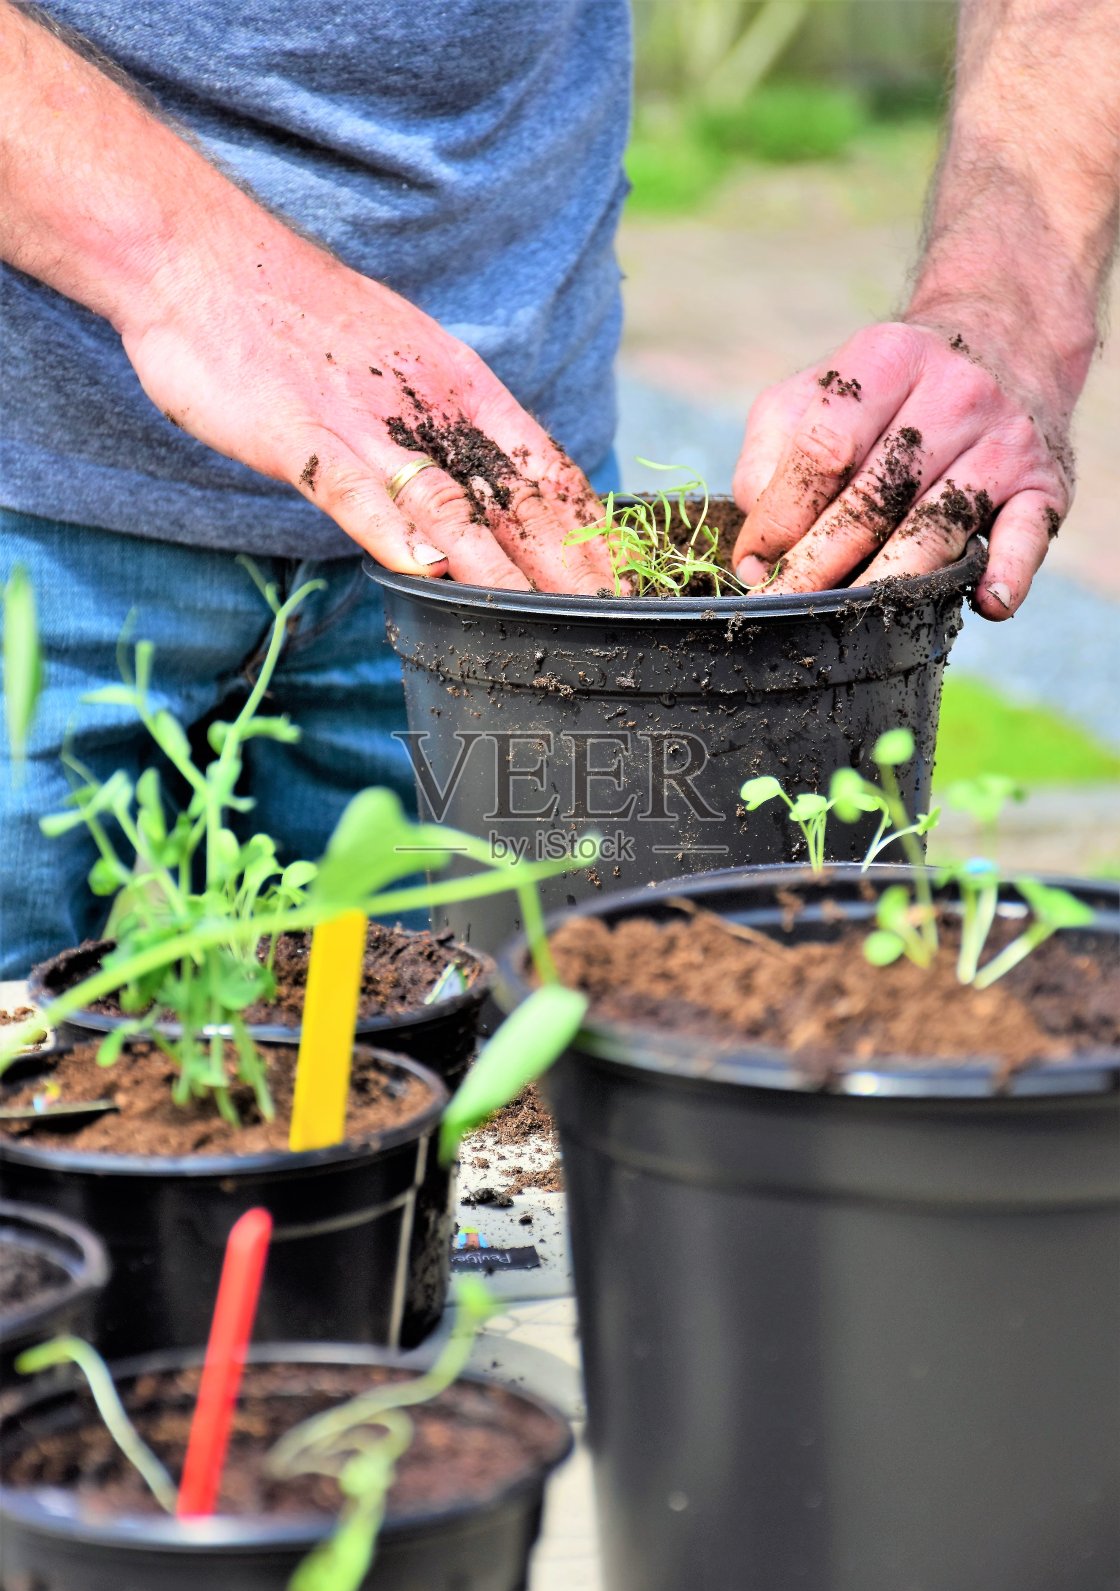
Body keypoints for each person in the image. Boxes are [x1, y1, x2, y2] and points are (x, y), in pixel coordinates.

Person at [1, 0, 1116, 977]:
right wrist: (190, 266)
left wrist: (1013, 296)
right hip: (30, 503)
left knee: (539, 1136)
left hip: (526, 568)